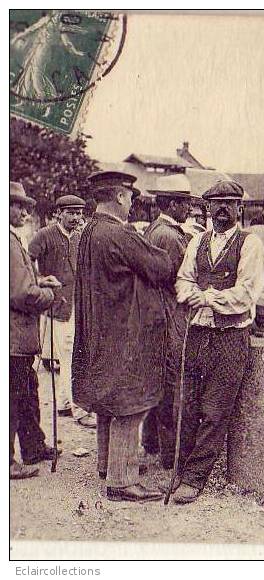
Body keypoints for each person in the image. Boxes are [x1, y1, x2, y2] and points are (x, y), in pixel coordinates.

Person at [72, 171, 177, 503]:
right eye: (130, 197)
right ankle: (122, 480)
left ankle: (108, 464)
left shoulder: (90, 231)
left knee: (107, 401)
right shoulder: (119, 233)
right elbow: (160, 267)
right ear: (119, 197)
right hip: (124, 331)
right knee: (130, 404)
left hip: (100, 330)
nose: (132, 204)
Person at [171, 180, 264, 504]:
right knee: (187, 404)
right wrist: (190, 294)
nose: (222, 209)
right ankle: (181, 469)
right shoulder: (197, 241)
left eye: (229, 203)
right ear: (207, 208)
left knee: (214, 410)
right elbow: (183, 280)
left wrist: (207, 297)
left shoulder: (250, 244)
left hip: (230, 336)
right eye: (216, 203)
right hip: (197, 332)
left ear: (240, 208)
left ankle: (195, 478)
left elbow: (246, 293)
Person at [140, 174, 193, 468]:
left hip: (156, 313)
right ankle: (170, 453)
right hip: (171, 312)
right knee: (172, 382)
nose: (189, 209)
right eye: (184, 203)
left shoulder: (155, 229)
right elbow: (180, 279)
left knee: (158, 380)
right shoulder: (170, 237)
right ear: (172, 204)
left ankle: (151, 441)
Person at [10, 182, 62, 479]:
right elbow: (20, 295)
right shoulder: (9, 242)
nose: (26, 213)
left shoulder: (15, 240)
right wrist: (47, 296)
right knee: (14, 399)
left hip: (19, 339)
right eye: (18, 206)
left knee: (28, 392)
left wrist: (41, 282)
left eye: (27, 207)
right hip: (13, 338)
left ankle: (33, 447)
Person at [28, 194, 86, 423]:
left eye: (79, 212)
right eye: (70, 212)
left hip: (77, 304)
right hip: (56, 306)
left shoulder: (81, 237)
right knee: (70, 356)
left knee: (70, 355)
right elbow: (25, 261)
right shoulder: (45, 235)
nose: (75, 217)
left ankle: (63, 402)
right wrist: (40, 279)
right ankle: (78, 409)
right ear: (58, 213)